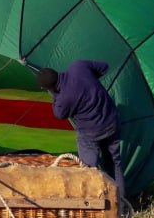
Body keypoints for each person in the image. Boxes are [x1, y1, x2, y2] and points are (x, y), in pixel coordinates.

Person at [35, 60, 125, 198]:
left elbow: (59, 115)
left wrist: (55, 95)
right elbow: (105, 67)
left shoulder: (64, 99)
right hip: (111, 122)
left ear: (50, 87)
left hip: (90, 135)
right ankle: (121, 205)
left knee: (88, 169)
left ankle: (93, 203)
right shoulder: (79, 66)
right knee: (114, 163)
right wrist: (90, 82)